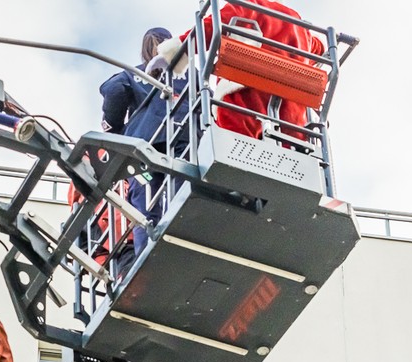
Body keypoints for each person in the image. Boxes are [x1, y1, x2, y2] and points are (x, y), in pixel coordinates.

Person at [151, 0, 325, 143]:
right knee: (292, 134)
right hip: (291, 116)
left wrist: (172, 54)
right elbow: (319, 49)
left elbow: (210, 28)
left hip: (246, 101)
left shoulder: (246, 6)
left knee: (231, 135)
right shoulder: (297, 22)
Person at [99, 28, 190, 255]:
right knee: (184, 188)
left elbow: (112, 90)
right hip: (185, 135)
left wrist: (116, 128)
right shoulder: (192, 73)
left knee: (144, 202)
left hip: (144, 146)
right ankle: (184, 233)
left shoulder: (134, 73)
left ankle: (146, 253)